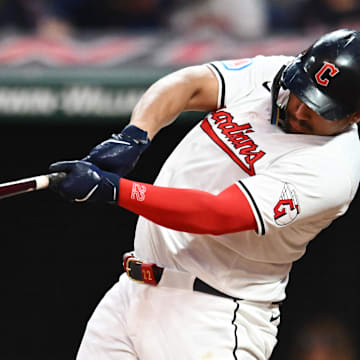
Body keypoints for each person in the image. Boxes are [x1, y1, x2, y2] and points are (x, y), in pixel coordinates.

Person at [49, 28, 360, 360]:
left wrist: (116, 190)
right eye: (302, 93)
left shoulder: (335, 167)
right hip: (131, 290)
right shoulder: (274, 75)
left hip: (211, 317)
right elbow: (190, 84)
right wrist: (135, 135)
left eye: (321, 109)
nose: (301, 111)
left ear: (355, 115)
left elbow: (216, 214)